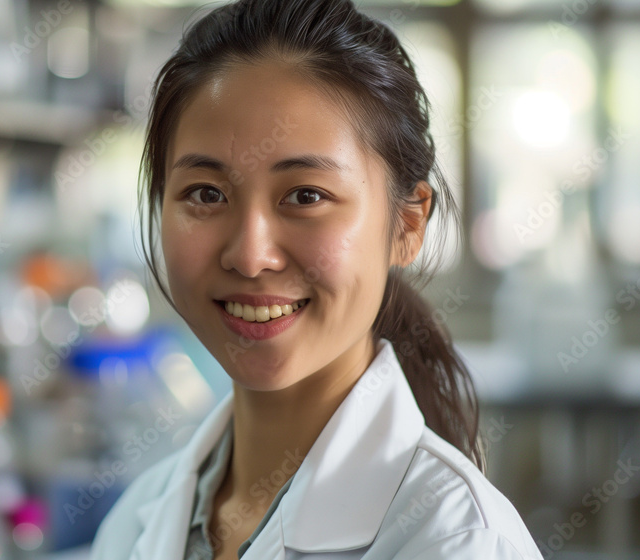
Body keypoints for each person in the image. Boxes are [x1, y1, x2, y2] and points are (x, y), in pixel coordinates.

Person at [89, 0, 543, 558]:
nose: (251, 256)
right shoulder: (138, 520)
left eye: (306, 196)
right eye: (207, 194)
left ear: (406, 223)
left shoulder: (456, 539)